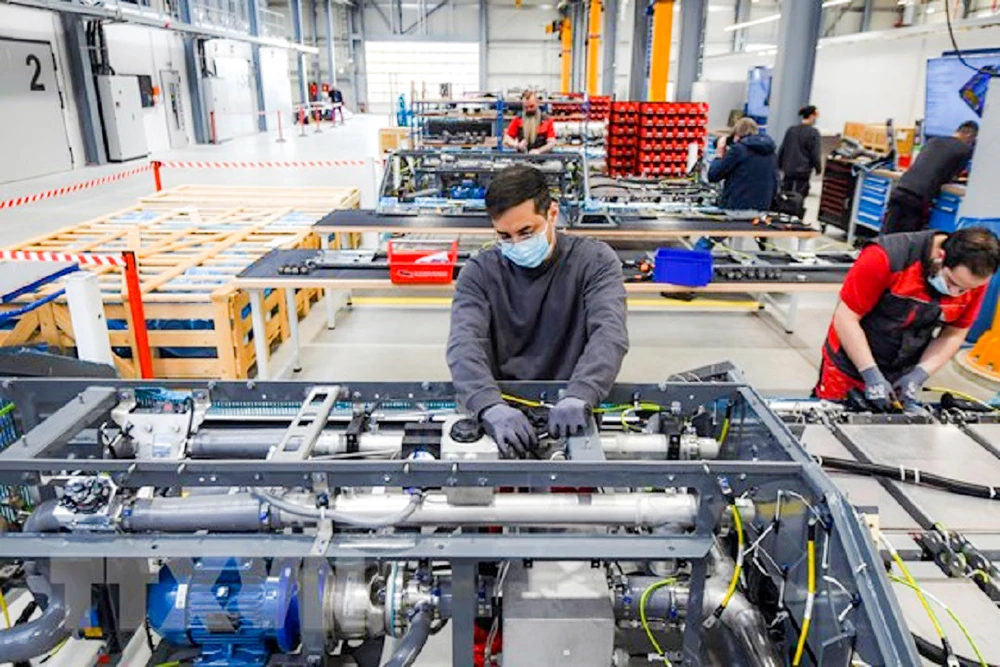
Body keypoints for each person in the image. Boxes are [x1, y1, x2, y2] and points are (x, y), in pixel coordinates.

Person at [446, 165, 629, 457]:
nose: (516, 244)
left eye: (526, 231)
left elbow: (609, 334)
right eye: (504, 236)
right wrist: (489, 405)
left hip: (571, 412)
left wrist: (582, 392)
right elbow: (464, 344)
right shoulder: (479, 272)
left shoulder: (595, 262)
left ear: (552, 214)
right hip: (499, 417)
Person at [815, 227, 1000, 410]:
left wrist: (918, 375)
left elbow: (954, 333)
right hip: (848, 366)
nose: (955, 293)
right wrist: (871, 374)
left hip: (903, 370)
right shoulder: (885, 257)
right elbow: (846, 318)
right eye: (952, 282)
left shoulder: (972, 278)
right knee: (830, 426)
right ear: (940, 256)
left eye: (965, 289)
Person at [883, 121, 978, 234]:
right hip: (918, 196)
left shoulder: (933, 141)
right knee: (906, 237)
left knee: (888, 233)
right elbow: (952, 175)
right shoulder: (964, 149)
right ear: (969, 135)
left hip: (900, 188)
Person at [707, 117, 779, 211]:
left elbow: (713, 176)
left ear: (737, 135)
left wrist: (719, 153)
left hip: (737, 209)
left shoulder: (738, 150)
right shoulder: (771, 152)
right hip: (763, 208)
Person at [777, 105, 823, 198]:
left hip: (788, 168)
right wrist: (818, 168)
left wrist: (778, 164)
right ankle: (796, 210)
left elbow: (783, 148)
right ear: (811, 116)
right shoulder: (813, 133)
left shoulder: (791, 130)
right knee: (799, 196)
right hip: (803, 170)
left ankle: (784, 210)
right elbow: (815, 153)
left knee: (785, 195)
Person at [503, 91, 557, 155]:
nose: (529, 109)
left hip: (542, 159)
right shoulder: (518, 119)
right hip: (523, 158)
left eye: (532, 106)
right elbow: (506, 139)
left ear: (537, 103)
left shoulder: (547, 120)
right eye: (526, 107)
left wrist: (539, 151)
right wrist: (517, 145)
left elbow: (552, 143)